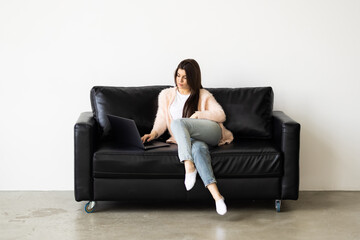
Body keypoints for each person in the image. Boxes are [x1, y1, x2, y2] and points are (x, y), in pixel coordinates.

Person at [141, 59, 234, 215]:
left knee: (177, 123)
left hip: (211, 132)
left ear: (193, 78)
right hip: (193, 140)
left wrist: (200, 115)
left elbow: (221, 115)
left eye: (185, 77)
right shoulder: (166, 95)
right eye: (178, 76)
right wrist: (153, 133)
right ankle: (217, 197)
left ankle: (188, 166)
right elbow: (162, 119)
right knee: (198, 148)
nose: (180, 80)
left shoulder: (203, 94)